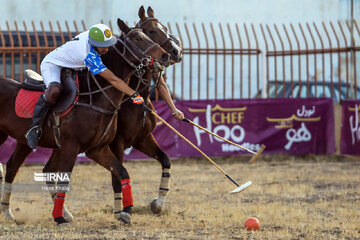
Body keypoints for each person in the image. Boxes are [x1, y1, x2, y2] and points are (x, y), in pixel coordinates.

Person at [25, 23, 145, 149]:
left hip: (72, 66)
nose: (106, 50)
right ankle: (34, 128)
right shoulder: (88, 55)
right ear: (93, 42)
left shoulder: (95, 35)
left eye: (107, 45)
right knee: (54, 90)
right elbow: (113, 80)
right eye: (102, 47)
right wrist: (133, 93)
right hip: (54, 65)